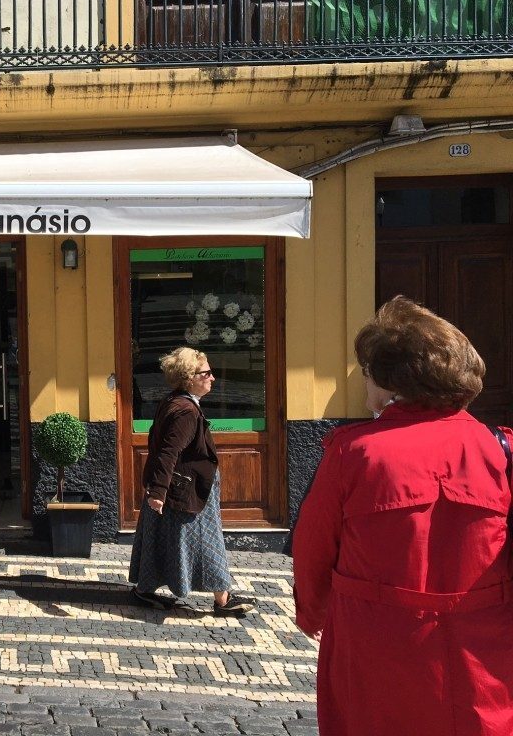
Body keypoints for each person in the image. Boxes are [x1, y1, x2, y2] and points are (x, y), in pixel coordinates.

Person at [292, 296, 513, 736]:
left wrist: (313, 616)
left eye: (365, 371)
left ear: (390, 381)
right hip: (483, 648)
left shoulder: (354, 453)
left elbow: (313, 549)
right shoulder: (500, 448)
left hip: (375, 645)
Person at [128, 346, 255, 616]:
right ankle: (223, 600)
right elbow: (168, 451)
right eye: (206, 373)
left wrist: (158, 489)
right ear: (189, 378)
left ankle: (144, 590)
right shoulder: (185, 410)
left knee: (162, 538)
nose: (212, 378)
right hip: (186, 491)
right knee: (207, 542)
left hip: (178, 488)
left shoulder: (175, 401)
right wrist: (158, 492)